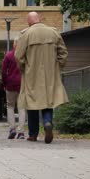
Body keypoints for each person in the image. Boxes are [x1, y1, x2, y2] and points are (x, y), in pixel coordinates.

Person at [15, 12, 68, 144]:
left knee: (32, 102)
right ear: (40, 19)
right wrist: (58, 66)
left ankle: (33, 134)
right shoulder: (54, 32)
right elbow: (63, 53)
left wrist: (23, 69)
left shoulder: (25, 34)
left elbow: (18, 56)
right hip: (50, 73)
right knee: (48, 100)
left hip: (31, 73)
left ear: (29, 22)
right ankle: (47, 122)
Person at [2, 38, 25, 139]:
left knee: (10, 106)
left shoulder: (8, 55)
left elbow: (3, 71)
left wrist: (4, 82)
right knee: (22, 107)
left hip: (10, 83)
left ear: (14, 44)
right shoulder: (24, 55)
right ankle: (21, 132)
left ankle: (12, 129)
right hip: (22, 83)